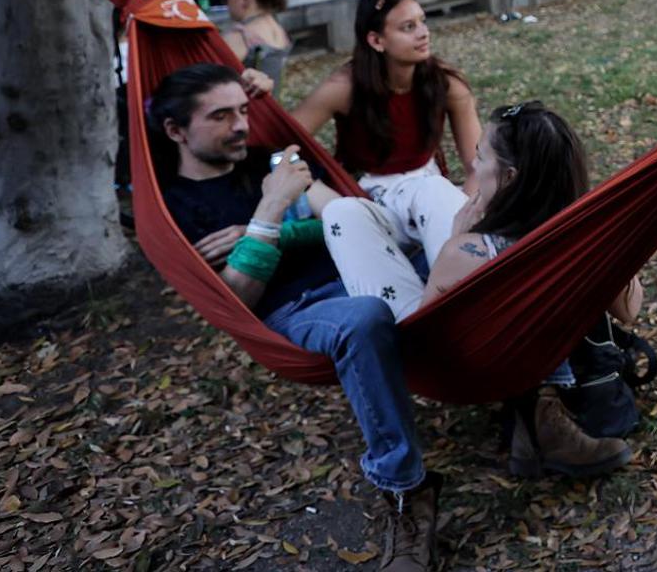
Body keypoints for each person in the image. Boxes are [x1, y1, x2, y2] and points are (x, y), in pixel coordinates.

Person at [148, 63, 442, 571]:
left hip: (367, 268)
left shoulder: (272, 159)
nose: (241, 126)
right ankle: (405, 490)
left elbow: (348, 219)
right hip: (300, 309)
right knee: (364, 318)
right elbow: (236, 297)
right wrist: (270, 209)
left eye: (243, 111)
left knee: (475, 247)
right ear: (175, 130)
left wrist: (268, 233)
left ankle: (542, 394)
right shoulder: (173, 207)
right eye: (220, 116)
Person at [320, 100, 638, 478]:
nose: (472, 165)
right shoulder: (583, 242)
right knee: (432, 187)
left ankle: (372, 209)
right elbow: (629, 311)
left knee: (341, 213)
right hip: (525, 344)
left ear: (510, 177)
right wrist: (616, 248)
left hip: (452, 363)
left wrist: (455, 240)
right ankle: (391, 209)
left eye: (481, 157)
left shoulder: (466, 252)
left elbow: (424, 339)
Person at [292, 0, 482, 266]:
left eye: (423, 21)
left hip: (428, 189)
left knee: (445, 215)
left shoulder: (445, 83)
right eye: (408, 27)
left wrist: (463, 214)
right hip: (365, 197)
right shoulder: (343, 88)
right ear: (376, 40)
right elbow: (282, 141)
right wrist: (316, 190)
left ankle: (455, 277)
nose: (423, 33)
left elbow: (478, 165)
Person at [220, 0, 292, 96]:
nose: (226, 5)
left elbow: (214, 82)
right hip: (273, 105)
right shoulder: (275, 25)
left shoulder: (240, 36)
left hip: (250, 106)